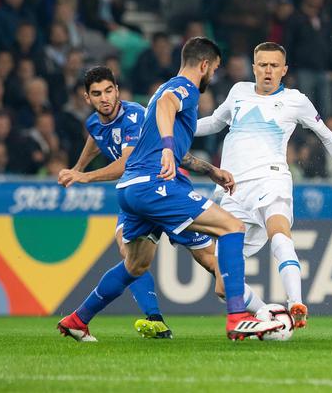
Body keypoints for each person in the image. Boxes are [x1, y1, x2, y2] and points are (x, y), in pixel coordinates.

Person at [57, 37, 283, 341]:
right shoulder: (185, 89)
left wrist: (210, 170)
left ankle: (77, 319)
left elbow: (160, 124)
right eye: (213, 69)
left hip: (131, 190)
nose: (212, 76)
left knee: (136, 264)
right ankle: (238, 317)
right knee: (232, 226)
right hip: (156, 184)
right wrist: (166, 148)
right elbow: (166, 109)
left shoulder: (162, 88)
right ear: (204, 65)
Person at [194, 42, 332, 327]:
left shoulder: (295, 100)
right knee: (223, 284)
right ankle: (268, 314)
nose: (268, 70)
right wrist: (174, 127)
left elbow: (326, 135)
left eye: (274, 65)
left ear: (284, 70)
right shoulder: (238, 92)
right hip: (234, 190)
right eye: (262, 64)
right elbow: (215, 122)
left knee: (279, 232)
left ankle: (295, 302)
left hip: (271, 177)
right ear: (253, 68)